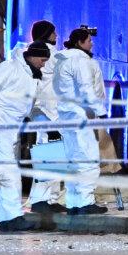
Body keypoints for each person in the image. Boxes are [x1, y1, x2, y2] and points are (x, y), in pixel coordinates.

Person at [0, 39, 51, 232]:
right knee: (8, 173)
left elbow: (30, 104)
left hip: (11, 129)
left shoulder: (31, 75)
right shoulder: (9, 68)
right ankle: (13, 217)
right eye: (42, 60)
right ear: (33, 56)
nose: (43, 64)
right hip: (0, 127)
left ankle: (7, 219)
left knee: (8, 173)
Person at [51, 27, 108, 215]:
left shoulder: (62, 60)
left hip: (66, 115)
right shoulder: (80, 60)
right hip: (82, 116)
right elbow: (86, 89)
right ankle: (85, 202)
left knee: (73, 161)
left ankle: (73, 203)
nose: (92, 43)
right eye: (89, 40)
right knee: (88, 159)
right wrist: (101, 112)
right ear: (80, 42)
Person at [15, 20, 65, 214]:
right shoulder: (48, 52)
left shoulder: (34, 51)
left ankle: (48, 199)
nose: (56, 36)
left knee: (50, 153)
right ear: (46, 33)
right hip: (49, 111)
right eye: (53, 32)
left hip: (41, 110)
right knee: (49, 154)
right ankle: (42, 200)